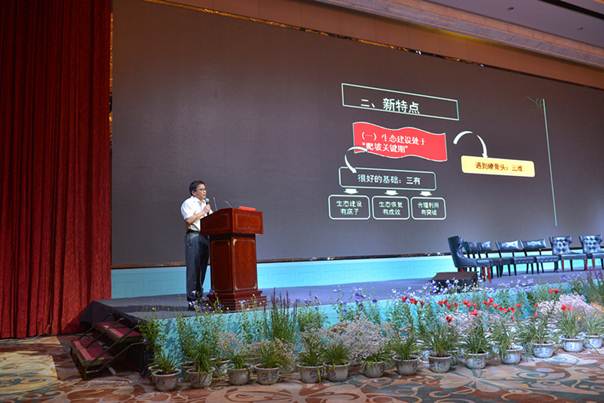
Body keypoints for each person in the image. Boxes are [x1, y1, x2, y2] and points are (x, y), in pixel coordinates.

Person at [181, 180, 212, 310]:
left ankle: (199, 296)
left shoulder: (205, 204)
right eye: (201, 189)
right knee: (193, 268)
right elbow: (189, 220)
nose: (204, 192)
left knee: (202, 268)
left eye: (205, 189)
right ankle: (191, 300)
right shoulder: (188, 203)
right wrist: (203, 212)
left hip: (205, 237)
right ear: (194, 192)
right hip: (194, 236)